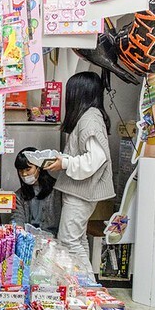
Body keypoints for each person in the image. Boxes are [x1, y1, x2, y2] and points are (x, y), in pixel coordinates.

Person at [45, 71, 115, 273]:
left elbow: (95, 159)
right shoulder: (90, 117)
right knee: (78, 239)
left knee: (69, 241)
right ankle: (85, 283)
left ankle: (88, 285)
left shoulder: (89, 119)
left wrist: (65, 163)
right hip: (80, 191)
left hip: (82, 192)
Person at [11, 147, 60, 235]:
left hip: (54, 239)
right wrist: (19, 232)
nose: (24, 174)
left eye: (28, 169)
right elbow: (17, 218)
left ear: (39, 167)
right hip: (29, 238)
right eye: (20, 170)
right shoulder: (19, 195)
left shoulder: (57, 190)